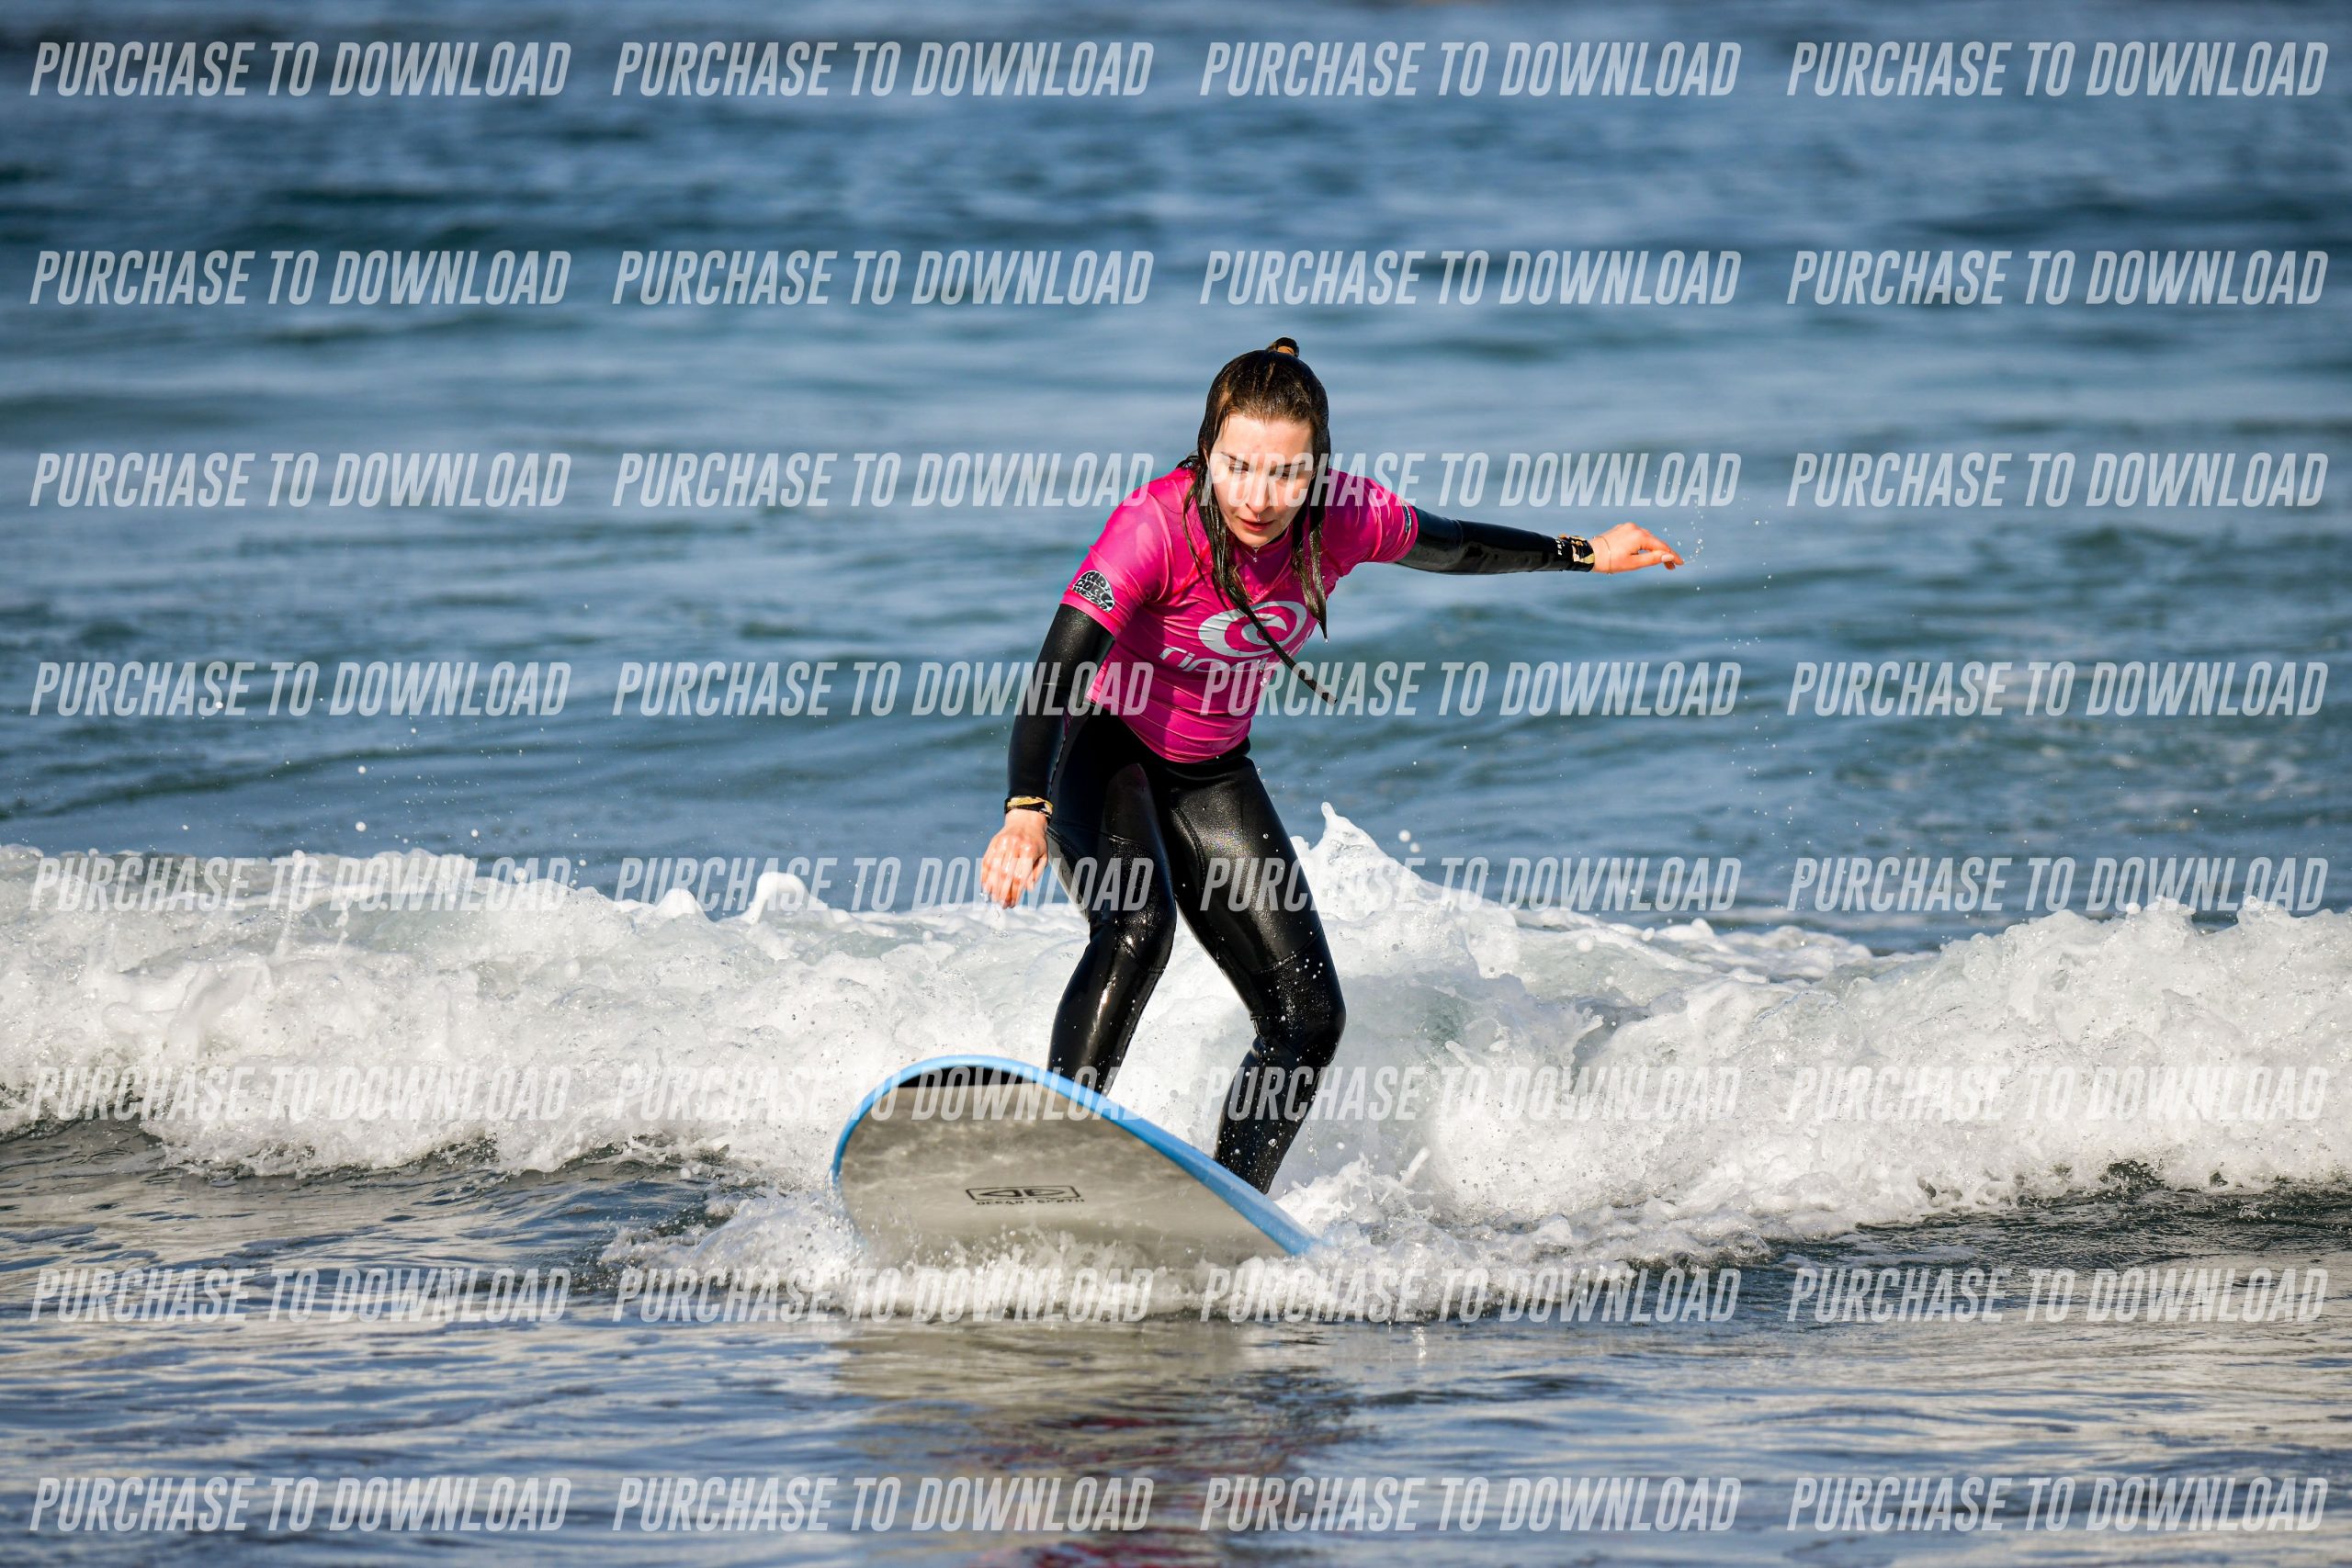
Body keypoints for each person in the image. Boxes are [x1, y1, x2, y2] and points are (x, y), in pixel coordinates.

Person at [978, 338, 1682, 1191]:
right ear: (1206, 451)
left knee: (1308, 1016)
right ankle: (1047, 1149)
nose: (1258, 496)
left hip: (1210, 769)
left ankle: (1230, 1205)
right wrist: (1025, 809)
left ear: (1318, 469)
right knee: (1137, 926)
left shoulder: (1346, 516)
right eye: (1238, 466)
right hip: (1103, 745)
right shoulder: (1153, 526)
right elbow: (1057, 672)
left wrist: (1583, 551)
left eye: (1286, 473)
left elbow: (1456, 545)